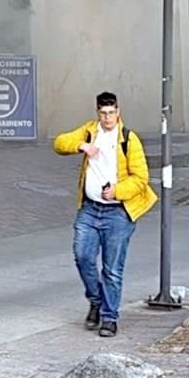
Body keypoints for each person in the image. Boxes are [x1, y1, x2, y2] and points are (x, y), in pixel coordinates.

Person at [53, 91, 158, 338]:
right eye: (103, 113)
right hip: (89, 209)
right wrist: (81, 145)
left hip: (118, 213)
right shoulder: (90, 131)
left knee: (112, 268)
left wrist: (118, 191)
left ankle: (109, 317)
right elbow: (59, 143)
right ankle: (96, 300)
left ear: (118, 112)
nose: (107, 117)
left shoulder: (129, 139)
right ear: (97, 113)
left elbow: (141, 178)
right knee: (82, 256)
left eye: (111, 113)